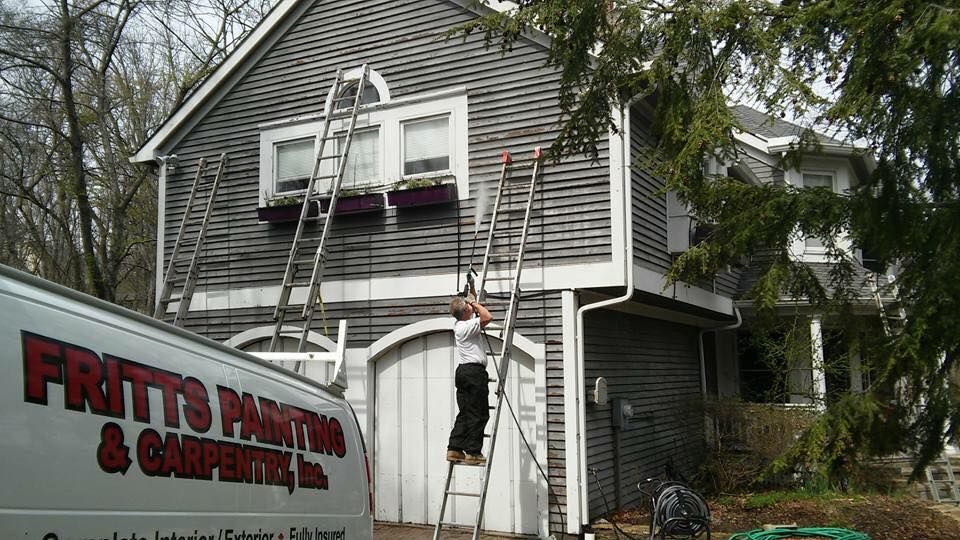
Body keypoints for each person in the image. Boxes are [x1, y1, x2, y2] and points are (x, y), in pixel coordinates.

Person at [447, 295, 493, 466]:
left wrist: (472, 297)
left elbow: (477, 314)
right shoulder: (466, 326)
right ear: (466, 310)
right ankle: (473, 452)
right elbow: (487, 317)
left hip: (463, 372)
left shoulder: (461, 325)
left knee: (465, 412)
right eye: (468, 306)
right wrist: (474, 303)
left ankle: (455, 448)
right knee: (479, 413)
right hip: (474, 373)